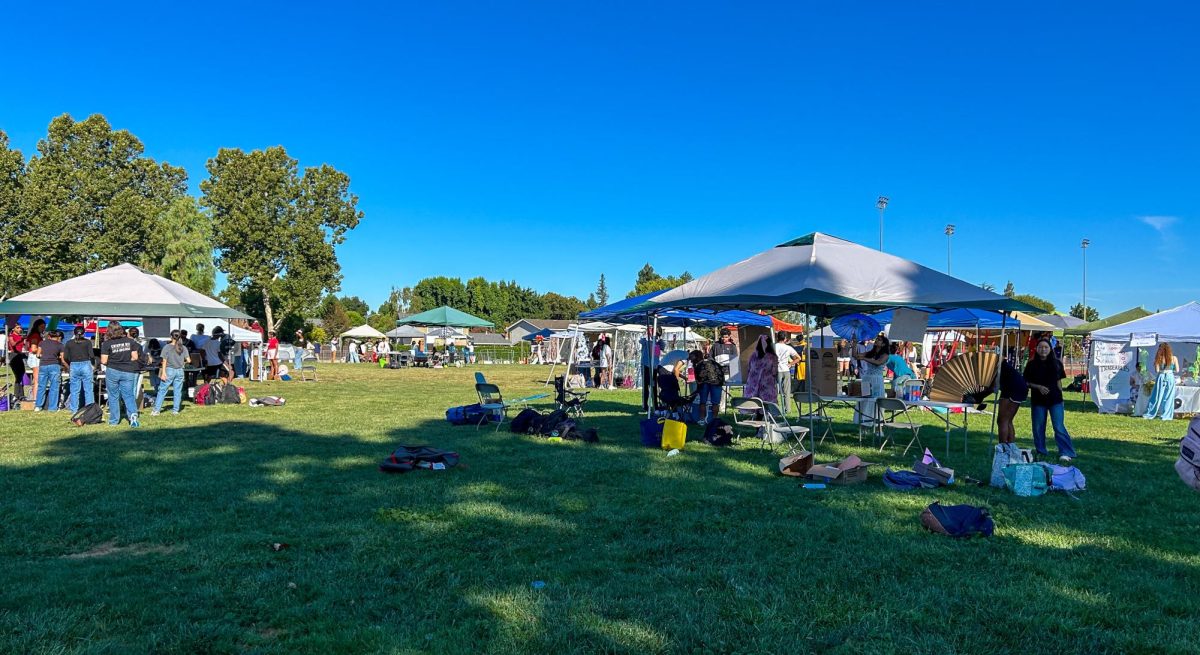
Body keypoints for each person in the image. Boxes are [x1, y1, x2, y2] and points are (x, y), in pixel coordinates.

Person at [1023, 337, 1077, 463]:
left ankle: (1066, 451)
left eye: (1046, 347)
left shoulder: (1057, 363)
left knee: (1058, 426)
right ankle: (1041, 450)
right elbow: (1026, 382)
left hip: (1055, 400)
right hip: (1038, 400)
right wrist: (1038, 387)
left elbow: (1059, 381)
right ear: (1036, 349)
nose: (1043, 349)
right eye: (1041, 347)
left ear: (1050, 349)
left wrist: (1061, 397)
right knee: (1038, 427)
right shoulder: (1031, 364)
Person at [100, 322, 142, 427]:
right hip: (128, 370)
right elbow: (135, 357)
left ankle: (114, 420)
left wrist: (114, 361)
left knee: (113, 396)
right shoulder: (130, 341)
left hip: (113, 370)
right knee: (129, 395)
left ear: (109, 331)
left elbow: (104, 361)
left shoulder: (106, 344)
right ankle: (133, 416)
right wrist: (127, 361)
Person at [853, 333, 890, 427]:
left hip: (877, 380)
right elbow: (855, 356)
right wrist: (854, 344)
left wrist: (864, 358)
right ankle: (863, 425)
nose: (876, 340)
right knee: (864, 401)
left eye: (879, 340)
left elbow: (878, 362)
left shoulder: (885, 354)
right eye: (876, 339)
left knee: (875, 401)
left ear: (883, 344)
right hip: (866, 379)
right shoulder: (870, 352)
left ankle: (877, 426)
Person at [153, 330, 189, 416]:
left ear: (171, 337)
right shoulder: (183, 347)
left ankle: (156, 410)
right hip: (180, 370)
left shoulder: (167, 347)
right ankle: (175, 410)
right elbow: (189, 360)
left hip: (169, 370)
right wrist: (182, 362)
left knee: (162, 390)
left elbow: (164, 361)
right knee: (177, 391)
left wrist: (163, 373)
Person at [1143, 343, 1180, 421]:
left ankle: (1150, 413)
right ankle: (1166, 415)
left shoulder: (1159, 358)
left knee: (1156, 396)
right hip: (1170, 376)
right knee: (1169, 397)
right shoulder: (1174, 358)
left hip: (1161, 376)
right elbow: (1177, 370)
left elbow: (1157, 370)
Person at [996, 359, 1028, 446]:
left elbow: (989, 387)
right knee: (1008, 420)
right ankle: (1011, 445)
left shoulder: (995, 365)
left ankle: (1003, 447)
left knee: (1002, 420)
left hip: (1012, 388)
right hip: (1018, 387)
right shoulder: (1003, 366)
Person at [64, 326, 95, 412]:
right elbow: (92, 355)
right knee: (88, 389)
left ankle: (74, 409)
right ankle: (90, 409)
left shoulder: (69, 343)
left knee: (74, 390)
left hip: (74, 364)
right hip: (86, 364)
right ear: (84, 333)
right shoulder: (87, 342)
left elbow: (65, 356)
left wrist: (70, 362)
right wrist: (93, 364)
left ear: (74, 333)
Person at [34, 330, 66, 411]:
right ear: (57, 337)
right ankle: (52, 407)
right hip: (55, 365)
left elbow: (37, 355)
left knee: (41, 386)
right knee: (54, 387)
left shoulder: (42, 343)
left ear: (49, 336)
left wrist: (44, 356)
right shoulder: (60, 345)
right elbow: (63, 359)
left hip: (43, 365)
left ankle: (38, 406)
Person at [690, 349, 724, 423]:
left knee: (703, 402)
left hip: (704, 383)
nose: (691, 361)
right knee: (715, 403)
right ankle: (715, 420)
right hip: (717, 383)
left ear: (697, 357)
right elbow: (721, 371)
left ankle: (702, 419)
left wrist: (696, 391)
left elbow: (698, 381)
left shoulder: (698, 366)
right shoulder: (713, 362)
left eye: (692, 358)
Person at [744, 334, 778, 404]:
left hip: (752, 386)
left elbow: (749, 369)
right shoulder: (772, 357)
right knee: (767, 406)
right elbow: (774, 372)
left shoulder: (753, 355)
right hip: (767, 386)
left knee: (755, 405)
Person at [773, 332, 800, 412]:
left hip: (776, 369)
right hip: (786, 370)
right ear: (785, 339)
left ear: (777, 338)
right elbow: (798, 358)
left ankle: (775, 408)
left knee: (775, 390)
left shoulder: (773, 346)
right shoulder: (788, 348)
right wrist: (790, 364)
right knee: (786, 391)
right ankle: (787, 409)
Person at [640, 328, 665, 410]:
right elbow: (641, 341)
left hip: (654, 366)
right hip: (646, 365)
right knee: (645, 386)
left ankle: (655, 405)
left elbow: (662, 347)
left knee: (654, 386)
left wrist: (659, 337)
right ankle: (645, 405)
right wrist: (647, 334)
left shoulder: (658, 343)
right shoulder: (646, 340)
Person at [7, 324, 27, 401]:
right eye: (17, 328)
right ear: (13, 329)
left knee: (21, 374)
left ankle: (21, 394)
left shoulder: (20, 336)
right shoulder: (11, 336)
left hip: (19, 355)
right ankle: (17, 394)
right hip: (13, 356)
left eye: (20, 328)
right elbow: (13, 344)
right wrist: (20, 339)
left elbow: (24, 345)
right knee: (18, 376)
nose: (19, 329)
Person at [26, 318, 45, 404]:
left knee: (36, 380)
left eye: (44, 327)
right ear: (37, 326)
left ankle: (35, 398)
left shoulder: (35, 335)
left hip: (34, 358)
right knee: (37, 380)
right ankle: (35, 399)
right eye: (42, 327)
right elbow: (33, 348)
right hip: (35, 358)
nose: (43, 328)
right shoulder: (35, 335)